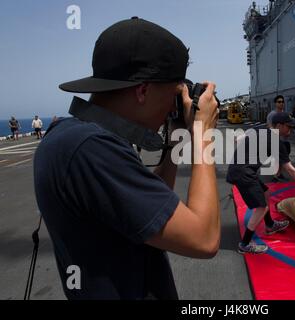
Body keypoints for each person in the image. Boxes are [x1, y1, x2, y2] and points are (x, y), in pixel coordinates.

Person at [34, 17, 220, 300]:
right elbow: (204, 239)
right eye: (173, 94)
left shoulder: (71, 135)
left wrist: (174, 142)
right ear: (143, 90)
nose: (173, 105)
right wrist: (203, 133)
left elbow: (147, 204)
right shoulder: (90, 149)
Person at [227, 112, 295, 254]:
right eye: (289, 127)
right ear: (279, 126)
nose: (290, 130)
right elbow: (290, 170)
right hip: (244, 173)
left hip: (242, 169)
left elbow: (238, 139)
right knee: (261, 208)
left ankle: (269, 225)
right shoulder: (277, 142)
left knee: (266, 192)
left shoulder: (260, 129)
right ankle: (244, 244)